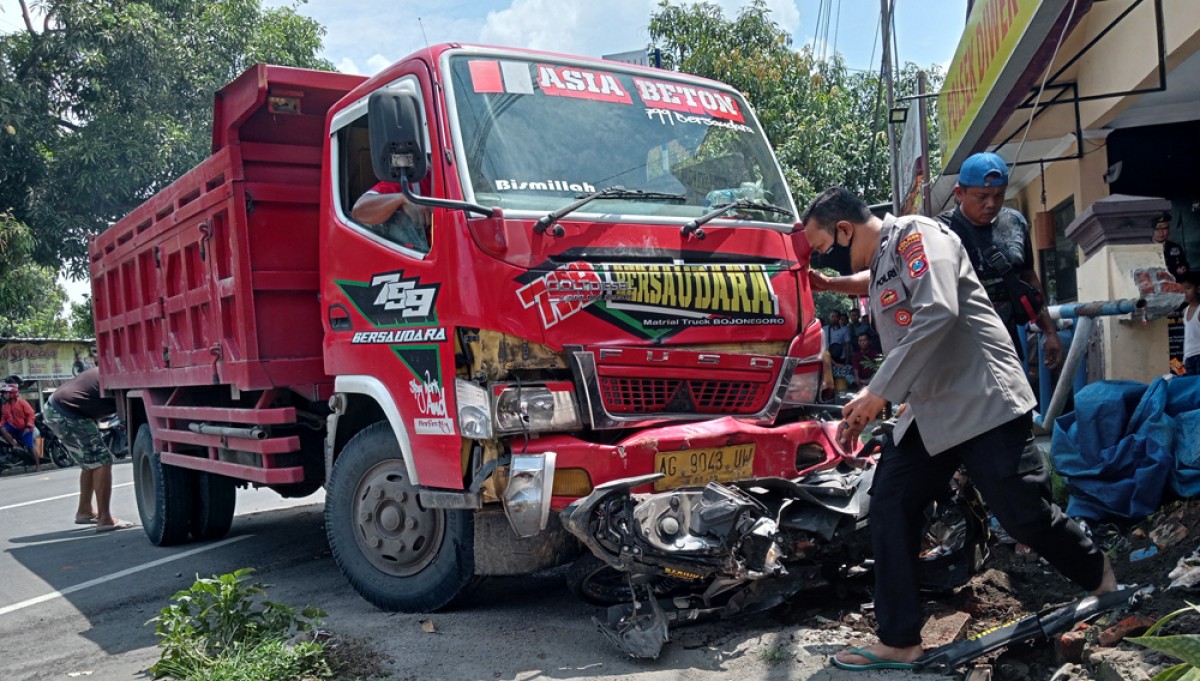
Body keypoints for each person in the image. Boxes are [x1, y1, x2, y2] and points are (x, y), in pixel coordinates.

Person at [799, 186, 1116, 671]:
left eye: (824, 248)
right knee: (891, 503)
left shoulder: (915, 236)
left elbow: (938, 309)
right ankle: (899, 638)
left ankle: (1103, 581)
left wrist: (878, 391)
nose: (828, 258)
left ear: (845, 230)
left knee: (1021, 514)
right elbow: (873, 282)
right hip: (932, 408)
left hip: (981, 397)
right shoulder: (886, 256)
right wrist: (828, 286)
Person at [935, 152, 1062, 370]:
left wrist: (1049, 332)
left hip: (1006, 348)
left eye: (999, 195)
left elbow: (1028, 277)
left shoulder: (1014, 222)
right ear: (959, 193)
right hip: (958, 355)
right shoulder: (938, 232)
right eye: (982, 196)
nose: (991, 204)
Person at [42, 368, 128, 531]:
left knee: (91, 462)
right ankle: (105, 519)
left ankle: (85, 511)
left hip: (55, 408)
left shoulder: (112, 369)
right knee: (102, 461)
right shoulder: (123, 374)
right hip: (67, 412)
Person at [351, 180, 430, 253]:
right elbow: (359, 211)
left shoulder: (438, 175)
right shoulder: (415, 181)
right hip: (411, 256)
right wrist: (404, 198)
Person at [1, 383, 36, 453]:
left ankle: (38, 464)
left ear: (12, 393)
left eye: (6, 393)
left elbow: (31, 414)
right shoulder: (5, 406)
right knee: (2, 429)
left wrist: (28, 426)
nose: (4, 395)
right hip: (14, 427)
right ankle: (15, 446)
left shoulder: (22, 402)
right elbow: (4, 418)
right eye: (4, 393)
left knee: (30, 447)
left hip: (25, 428)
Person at [1154, 213, 1190, 279]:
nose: (1161, 233)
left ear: (1169, 230)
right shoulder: (1145, 246)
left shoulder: (1175, 247)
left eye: (1164, 229)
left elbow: (1183, 264)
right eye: (1157, 229)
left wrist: (1183, 269)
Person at [1183, 274, 1200, 376]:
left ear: (1198, 289)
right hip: (1189, 357)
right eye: (1182, 289)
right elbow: (1188, 337)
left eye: (1188, 288)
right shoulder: (1185, 311)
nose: (1185, 292)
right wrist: (1184, 358)